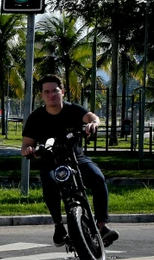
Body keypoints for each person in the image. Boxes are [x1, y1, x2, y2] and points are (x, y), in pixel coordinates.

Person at [21, 75, 118, 248]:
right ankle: (58, 226)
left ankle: (102, 226)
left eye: (55, 91)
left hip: (76, 159)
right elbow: (26, 146)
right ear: (42, 95)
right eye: (47, 92)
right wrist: (29, 151)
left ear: (63, 92)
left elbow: (93, 117)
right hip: (51, 162)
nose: (51, 95)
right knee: (49, 182)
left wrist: (93, 124)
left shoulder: (73, 110)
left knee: (97, 177)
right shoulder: (35, 118)